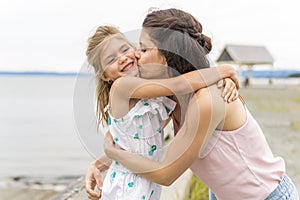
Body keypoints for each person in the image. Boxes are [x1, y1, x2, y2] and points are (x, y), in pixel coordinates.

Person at [103, 8, 299, 200]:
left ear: (168, 56)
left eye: (144, 49)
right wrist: (101, 163)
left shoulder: (208, 99)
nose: (135, 54)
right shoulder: (170, 99)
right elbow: (137, 134)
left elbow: (165, 174)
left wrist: (114, 153)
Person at [85, 25, 239, 199]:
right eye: (111, 59)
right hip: (127, 188)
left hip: (146, 184)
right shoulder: (121, 87)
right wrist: (224, 71)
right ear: (105, 76)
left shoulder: (150, 98)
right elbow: (179, 84)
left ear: (134, 49)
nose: (121, 58)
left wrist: (221, 81)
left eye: (124, 49)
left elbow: (128, 144)